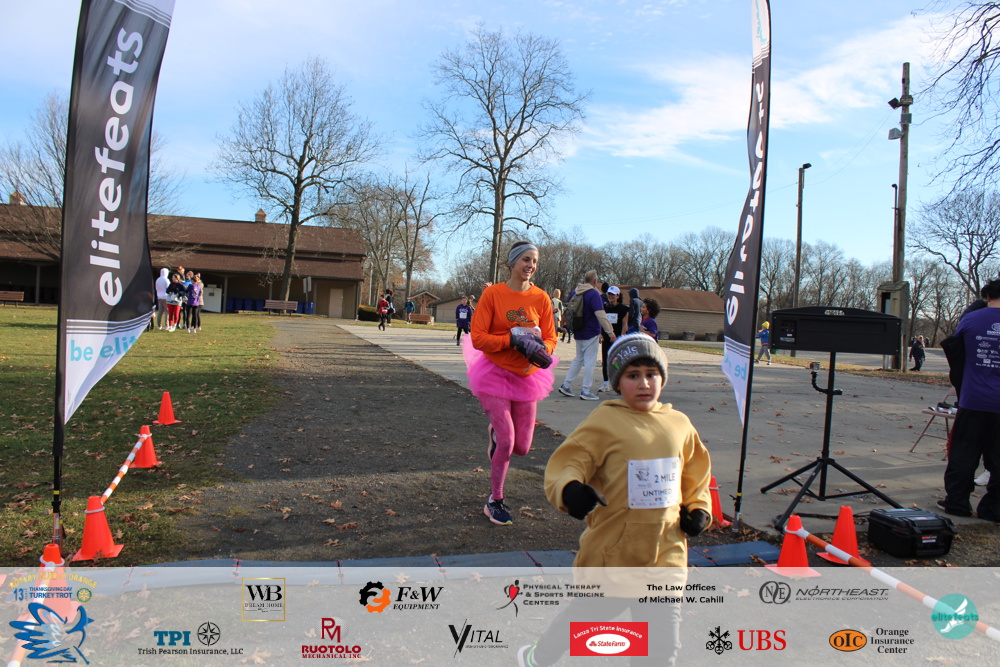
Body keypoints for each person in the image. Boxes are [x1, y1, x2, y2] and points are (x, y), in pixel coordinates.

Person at [518, 333, 713, 667]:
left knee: (661, 650)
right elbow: (570, 461)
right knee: (580, 623)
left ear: (663, 378)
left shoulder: (679, 424)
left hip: (665, 557)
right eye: (633, 375)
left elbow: (696, 472)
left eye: (652, 374)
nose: (644, 383)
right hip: (614, 556)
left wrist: (699, 508)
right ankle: (538, 656)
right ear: (617, 382)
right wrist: (570, 490)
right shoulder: (605, 422)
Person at [467, 241, 558, 526]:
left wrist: (540, 348)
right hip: (495, 373)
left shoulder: (541, 298)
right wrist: (512, 340)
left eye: (535, 261)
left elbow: (552, 338)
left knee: (522, 447)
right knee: (507, 441)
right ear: (512, 262)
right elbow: (478, 338)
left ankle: (496, 434)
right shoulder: (493, 294)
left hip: (527, 376)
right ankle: (495, 500)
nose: (531, 266)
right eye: (526, 260)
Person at [938, 278, 1000, 523]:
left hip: (974, 398)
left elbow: (956, 348)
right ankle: (994, 508)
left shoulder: (972, 319)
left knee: (964, 452)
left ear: (987, 296)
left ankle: (957, 503)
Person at [558, 270, 616, 401]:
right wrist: (610, 332)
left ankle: (566, 385)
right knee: (590, 361)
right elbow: (600, 314)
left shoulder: (575, 292)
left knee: (578, 359)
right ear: (595, 281)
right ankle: (586, 390)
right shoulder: (593, 294)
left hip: (578, 331)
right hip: (591, 332)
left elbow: (567, 310)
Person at [598, 285, 629, 393]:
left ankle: (618, 383)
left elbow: (625, 324)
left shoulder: (623, 309)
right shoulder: (604, 308)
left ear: (618, 296)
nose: (611, 296)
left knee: (617, 361)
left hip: (617, 338)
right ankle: (606, 383)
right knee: (605, 360)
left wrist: (621, 337)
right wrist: (600, 333)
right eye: (609, 294)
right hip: (606, 337)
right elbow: (601, 322)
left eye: (613, 295)